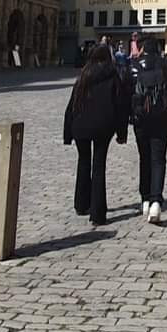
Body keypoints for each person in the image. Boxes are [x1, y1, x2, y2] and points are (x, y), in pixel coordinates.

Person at [63, 42, 129, 225]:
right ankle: (98, 214)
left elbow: (71, 106)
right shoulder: (113, 76)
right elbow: (121, 107)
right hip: (103, 127)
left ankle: (81, 204)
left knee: (83, 162)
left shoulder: (83, 76)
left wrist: (68, 133)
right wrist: (122, 133)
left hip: (81, 127)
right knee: (98, 166)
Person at [131, 36, 167, 223]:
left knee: (144, 158)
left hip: (140, 119)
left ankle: (144, 199)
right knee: (158, 159)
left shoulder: (134, 65)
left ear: (142, 48)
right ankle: (156, 202)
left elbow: (127, 90)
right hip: (162, 118)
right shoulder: (166, 63)